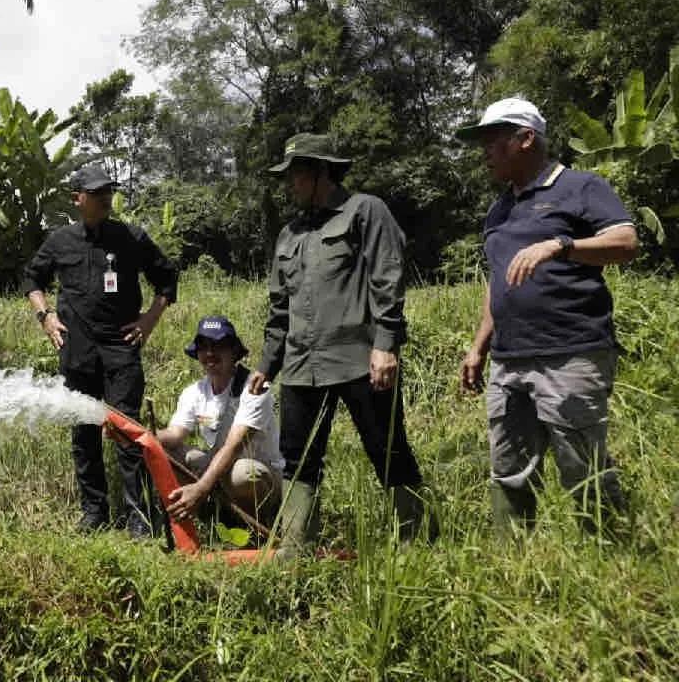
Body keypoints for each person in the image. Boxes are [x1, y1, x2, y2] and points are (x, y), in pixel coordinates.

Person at [456, 97, 637, 537]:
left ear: (525, 139)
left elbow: (626, 241)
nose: (485, 153)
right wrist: (478, 347)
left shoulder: (580, 187)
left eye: (493, 142)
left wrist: (563, 244)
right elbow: (498, 281)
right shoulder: (499, 209)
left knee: (580, 464)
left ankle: (612, 554)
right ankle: (513, 558)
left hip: (570, 351)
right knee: (509, 467)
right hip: (508, 358)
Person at [246, 133, 434, 551]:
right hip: (299, 365)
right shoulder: (289, 234)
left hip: (358, 358)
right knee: (297, 458)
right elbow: (280, 307)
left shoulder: (364, 211)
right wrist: (266, 364)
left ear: (321, 172)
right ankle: (297, 547)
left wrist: (386, 343)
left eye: (296, 174)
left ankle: (418, 539)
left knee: (386, 447)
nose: (290, 184)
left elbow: (388, 277)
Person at [23, 165, 178, 538]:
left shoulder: (130, 237)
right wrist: (45, 316)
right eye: (96, 192)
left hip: (121, 349)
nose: (105, 197)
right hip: (77, 352)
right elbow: (32, 278)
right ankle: (94, 513)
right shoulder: (61, 241)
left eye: (108, 190)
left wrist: (148, 320)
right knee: (84, 435)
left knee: (128, 432)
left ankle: (139, 517)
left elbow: (167, 277)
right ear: (78, 198)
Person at [157, 315, 283, 527]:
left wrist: (202, 487)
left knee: (242, 474)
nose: (210, 354)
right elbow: (175, 434)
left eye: (218, 346)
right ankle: (196, 515)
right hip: (218, 470)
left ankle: (255, 525)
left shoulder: (254, 389)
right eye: (203, 347)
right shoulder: (194, 392)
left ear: (234, 352)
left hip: (261, 474)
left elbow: (234, 446)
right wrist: (144, 435)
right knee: (162, 453)